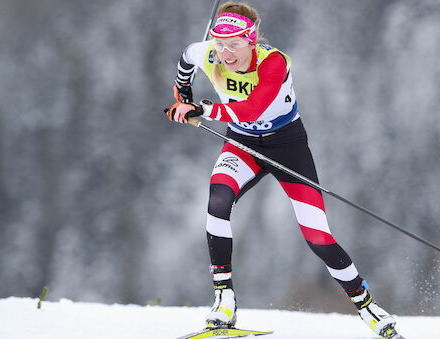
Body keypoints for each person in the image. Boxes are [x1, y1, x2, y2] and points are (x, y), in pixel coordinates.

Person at [165, 2, 401, 338]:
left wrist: (200, 108)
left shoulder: (274, 62)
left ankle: (368, 308)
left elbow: (251, 108)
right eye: (220, 43)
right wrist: (182, 91)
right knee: (217, 202)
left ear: (251, 40)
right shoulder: (209, 54)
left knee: (317, 236)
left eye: (234, 45)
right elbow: (186, 58)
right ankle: (225, 299)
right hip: (242, 145)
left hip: (286, 146)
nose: (226, 53)